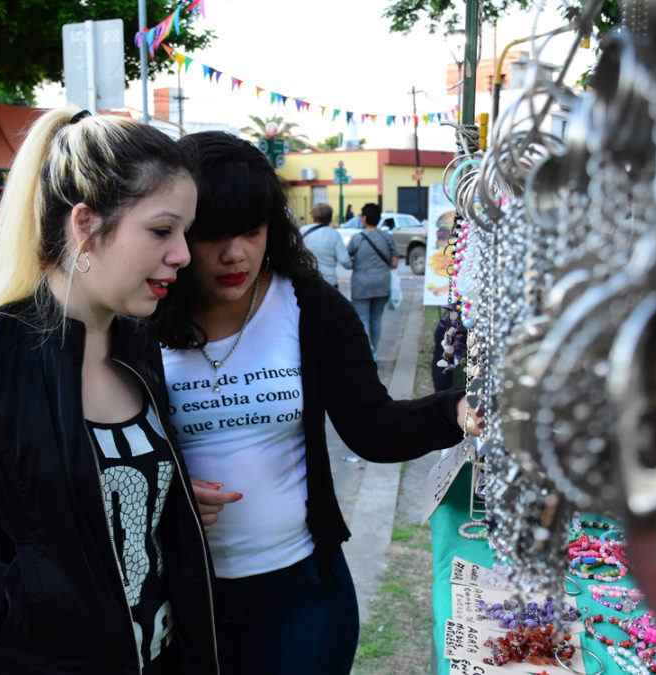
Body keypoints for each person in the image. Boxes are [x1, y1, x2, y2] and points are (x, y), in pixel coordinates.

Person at [0, 107, 218, 674]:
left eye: (185, 233)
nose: (183, 254)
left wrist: (162, 498)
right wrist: (18, 600)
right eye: (161, 230)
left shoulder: (139, 344)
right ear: (85, 225)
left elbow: (87, 491)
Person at [148, 131, 479, 675]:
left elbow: (371, 426)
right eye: (212, 234)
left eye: (251, 230)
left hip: (300, 589)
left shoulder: (307, 303)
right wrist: (171, 488)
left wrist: (455, 412)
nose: (235, 254)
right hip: (177, 597)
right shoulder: (139, 313)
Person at [347, 203, 398, 356]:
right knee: (376, 318)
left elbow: (347, 261)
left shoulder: (356, 239)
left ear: (364, 219)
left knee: (362, 318)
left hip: (361, 283)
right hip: (382, 282)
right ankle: (374, 349)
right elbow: (394, 264)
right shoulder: (387, 237)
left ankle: (368, 351)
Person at [300, 203, 351, 288]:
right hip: (329, 281)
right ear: (330, 218)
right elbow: (344, 260)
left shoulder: (302, 231)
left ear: (312, 216)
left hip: (307, 278)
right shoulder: (334, 234)